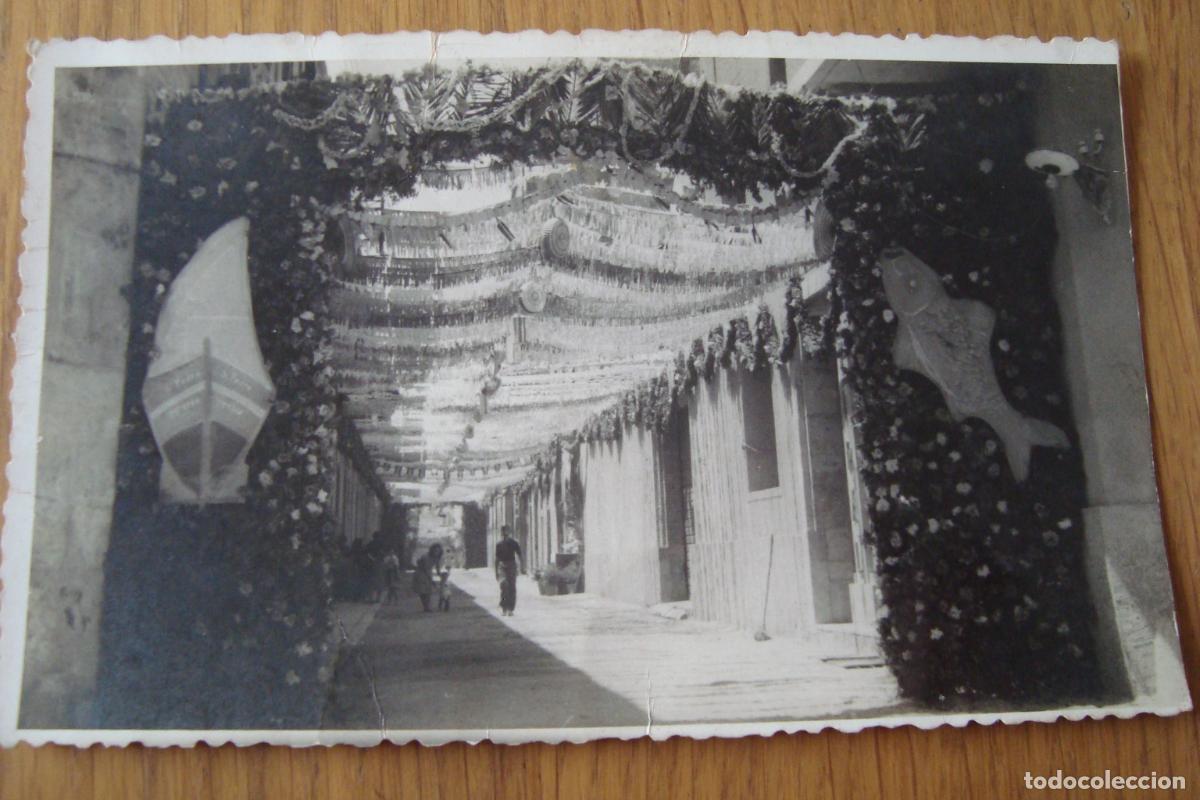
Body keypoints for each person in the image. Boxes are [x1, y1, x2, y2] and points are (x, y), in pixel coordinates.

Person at [494, 525, 522, 616]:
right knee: (503, 584)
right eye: (503, 532)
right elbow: (497, 559)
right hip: (502, 565)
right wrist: (496, 572)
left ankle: (510, 608)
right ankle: (503, 607)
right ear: (501, 533)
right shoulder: (499, 544)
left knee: (512, 587)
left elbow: (519, 554)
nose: (505, 534)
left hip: (512, 565)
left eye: (506, 532)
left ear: (509, 532)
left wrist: (522, 566)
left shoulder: (514, 543)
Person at [412, 543, 443, 613]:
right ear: (432, 550)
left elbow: (438, 568)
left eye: (438, 551)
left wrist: (441, 575)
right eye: (435, 551)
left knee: (429, 591)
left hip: (428, 572)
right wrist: (432, 580)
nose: (437, 552)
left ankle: (427, 607)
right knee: (423, 591)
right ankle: (426, 607)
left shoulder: (437, 558)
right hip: (420, 573)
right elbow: (425, 569)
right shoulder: (426, 557)